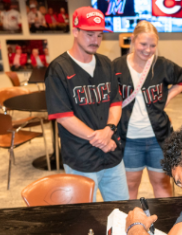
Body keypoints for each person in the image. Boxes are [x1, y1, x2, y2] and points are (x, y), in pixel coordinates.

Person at [45, 6, 126, 203]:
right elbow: (63, 117)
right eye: (90, 34)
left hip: (112, 155)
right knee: (83, 219)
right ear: (75, 31)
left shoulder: (106, 63)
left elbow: (115, 103)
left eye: (99, 35)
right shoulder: (59, 69)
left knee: (124, 209)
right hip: (81, 158)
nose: (95, 41)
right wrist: (101, 139)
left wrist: (109, 130)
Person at [112, 21, 182, 199]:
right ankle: (130, 225)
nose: (147, 50)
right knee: (130, 186)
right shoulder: (116, 66)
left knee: (162, 185)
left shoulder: (162, 65)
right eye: (143, 44)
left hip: (158, 138)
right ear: (132, 40)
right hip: (129, 139)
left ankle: (163, 225)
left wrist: (167, 98)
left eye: (153, 45)